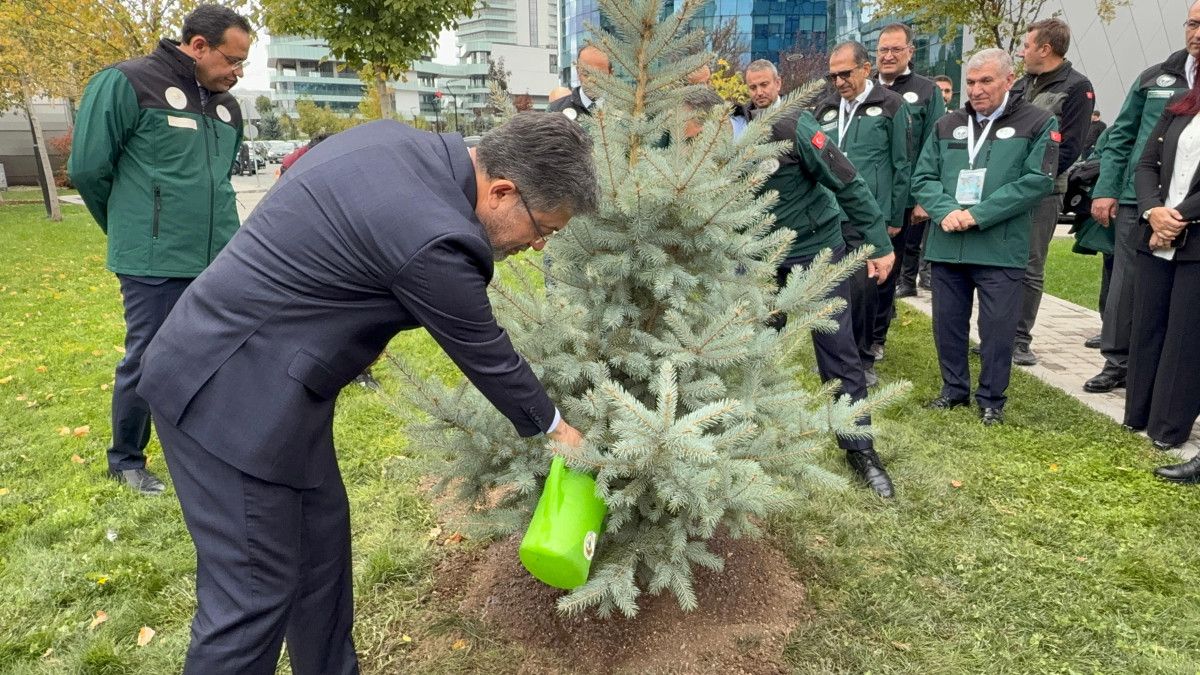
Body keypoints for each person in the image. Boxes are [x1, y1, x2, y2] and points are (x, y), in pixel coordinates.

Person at [135, 113, 598, 672]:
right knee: (252, 596)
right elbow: (486, 352)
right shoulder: (438, 236)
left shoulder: (395, 141)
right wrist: (558, 429)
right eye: (544, 227)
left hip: (276, 392)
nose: (541, 245)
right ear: (503, 191)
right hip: (226, 400)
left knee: (320, 562)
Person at [68, 4, 252, 495]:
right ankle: (126, 459)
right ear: (198, 46)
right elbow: (88, 169)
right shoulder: (127, 83)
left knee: (221, 353)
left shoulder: (227, 106)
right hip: (153, 260)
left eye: (242, 65)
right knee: (149, 358)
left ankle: (212, 449)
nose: (236, 73)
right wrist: (133, 230)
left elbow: (219, 178)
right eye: (232, 61)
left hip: (219, 257)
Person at [912, 48, 1059, 426]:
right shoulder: (948, 124)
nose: (976, 90)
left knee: (996, 330)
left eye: (986, 81)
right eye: (972, 82)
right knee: (947, 323)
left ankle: (992, 399)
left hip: (999, 246)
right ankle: (954, 390)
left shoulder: (1038, 122)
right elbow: (923, 177)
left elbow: (1037, 181)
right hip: (949, 245)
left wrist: (977, 215)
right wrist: (947, 212)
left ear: (1009, 80)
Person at [760, 99, 898, 498]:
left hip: (816, 248)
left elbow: (847, 180)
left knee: (838, 349)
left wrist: (878, 242)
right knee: (752, 350)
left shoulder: (790, 127)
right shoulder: (710, 142)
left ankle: (861, 451)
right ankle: (751, 444)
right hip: (759, 258)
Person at [1084, 4, 1196, 394]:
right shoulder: (1155, 77)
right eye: (1193, 24)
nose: (1197, 34)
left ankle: (1165, 367)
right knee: (1126, 284)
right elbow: (1121, 136)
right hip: (1138, 200)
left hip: (1192, 205)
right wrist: (1107, 189)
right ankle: (1117, 362)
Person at [812, 41, 913, 386]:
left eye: (845, 73)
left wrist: (895, 217)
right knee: (831, 288)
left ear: (865, 69)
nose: (839, 81)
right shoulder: (823, 109)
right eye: (833, 75)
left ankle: (863, 357)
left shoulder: (890, 105)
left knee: (864, 290)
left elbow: (902, 164)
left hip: (869, 216)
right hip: (830, 216)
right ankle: (836, 354)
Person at [1009, 18, 1095, 367]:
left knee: (1030, 263)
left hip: (1043, 191)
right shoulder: (1020, 84)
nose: (1022, 51)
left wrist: (1034, 180)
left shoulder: (1076, 87)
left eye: (1027, 45)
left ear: (1045, 48)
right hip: (1007, 190)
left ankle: (1019, 339)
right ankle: (998, 332)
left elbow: (1071, 146)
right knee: (1004, 263)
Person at [1127, 85, 1200, 479]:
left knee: (1185, 337)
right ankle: (1137, 414)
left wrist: (1175, 218)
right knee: (1148, 326)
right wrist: (1152, 210)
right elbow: (1146, 165)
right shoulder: (1182, 106)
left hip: (1193, 238)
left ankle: (1167, 428)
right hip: (1155, 234)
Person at [872, 23, 945, 353]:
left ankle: (876, 339)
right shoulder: (864, 88)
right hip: (866, 197)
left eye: (895, 50)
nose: (887, 56)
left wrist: (922, 200)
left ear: (910, 52)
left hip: (901, 201)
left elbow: (935, 147)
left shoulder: (927, 91)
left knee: (888, 269)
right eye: (882, 50)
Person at [548, 45, 612, 119]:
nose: (593, 80)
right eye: (586, 74)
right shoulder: (556, 111)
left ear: (610, 74)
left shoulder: (626, 109)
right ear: (577, 71)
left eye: (600, 75)